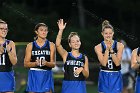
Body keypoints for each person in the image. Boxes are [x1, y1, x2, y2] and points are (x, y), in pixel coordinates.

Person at [56, 19, 89, 93]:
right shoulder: (66, 55)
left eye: (77, 41)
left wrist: (82, 69)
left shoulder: (84, 57)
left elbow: (86, 75)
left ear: (80, 42)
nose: (76, 43)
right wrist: (60, 30)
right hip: (68, 88)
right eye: (73, 42)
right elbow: (58, 45)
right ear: (70, 44)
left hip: (80, 88)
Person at [24, 23, 56, 93]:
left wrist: (46, 63)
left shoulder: (51, 45)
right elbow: (26, 64)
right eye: (41, 30)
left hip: (47, 74)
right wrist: (35, 63)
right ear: (36, 32)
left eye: (45, 30)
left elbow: (53, 64)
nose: (44, 32)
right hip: (34, 74)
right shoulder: (30, 45)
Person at [94, 20, 124, 93]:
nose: (108, 35)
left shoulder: (120, 45)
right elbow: (104, 63)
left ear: (113, 33)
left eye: (110, 33)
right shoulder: (98, 47)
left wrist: (111, 50)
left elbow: (117, 63)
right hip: (104, 75)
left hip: (116, 75)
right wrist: (107, 50)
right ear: (102, 34)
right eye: (106, 33)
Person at [0, 19, 17, 93]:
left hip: (7, 75)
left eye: (6, 29)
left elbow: (14, 62)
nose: (4, 30)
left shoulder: (10, 43)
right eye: (1, 28)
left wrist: (9, 52)